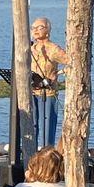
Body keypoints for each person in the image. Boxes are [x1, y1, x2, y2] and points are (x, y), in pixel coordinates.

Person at [30, 16, 69, 148]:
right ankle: (31, 154)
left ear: (47, 31)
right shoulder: (30, 48)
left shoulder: (53, 48)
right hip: (32, 92)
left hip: (48, 93)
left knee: (48, 127)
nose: (35, 30)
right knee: (32, 125)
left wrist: (57, 74)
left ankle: (48, 155)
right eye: (33, 27)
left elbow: (71, 62)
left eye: (39, 27)